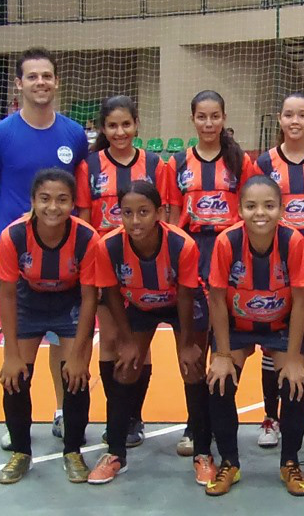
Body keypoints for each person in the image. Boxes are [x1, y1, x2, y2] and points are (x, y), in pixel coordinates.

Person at [0, 47, 89, 451]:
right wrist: (19, 227)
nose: (41, 82)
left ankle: (62, 410)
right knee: (22, 340)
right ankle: (19, 419)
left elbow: (80, 190)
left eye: (47, 76)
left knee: (65, 339)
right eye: (32, 76)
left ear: (56, 82)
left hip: (66, 257)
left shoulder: (74, 134)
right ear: (19, 84)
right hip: (22, 259)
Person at [91, 180, 213, 485]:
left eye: (143, 212)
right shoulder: (108, 246)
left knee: (193, 368)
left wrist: (186, 344)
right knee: (126, 368)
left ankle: (202, 452)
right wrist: (128, 341)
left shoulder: (181, 245)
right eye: (127, 212)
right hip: (140, 303)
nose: (135, 220)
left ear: (159, 212)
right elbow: (111, 294)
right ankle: (116, 452)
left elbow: (185, 296)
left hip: (181, 303)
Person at [205, 175, 304, 497]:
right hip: (238, 328)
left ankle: (290, 462)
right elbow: (216, 299)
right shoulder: (227, 242)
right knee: (218, 381)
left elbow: (302, 301)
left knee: (294, 382)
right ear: (239, 209)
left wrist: (294, 357)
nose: (260, 213)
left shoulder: (293, 242)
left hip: (280, 327)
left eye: (269, 205)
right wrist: (222, 355)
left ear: (281, 209)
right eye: (251, 206)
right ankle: (229, 462)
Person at [0, 169, 99, 484]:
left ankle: (72, 451)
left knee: (75, 376)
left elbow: (89, 298)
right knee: (15, 376)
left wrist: (80, 354)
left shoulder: (86, 237)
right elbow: (8, 294)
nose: (53, 207)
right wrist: (11, 354)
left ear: (73, 203)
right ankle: (21, 452)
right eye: (44, 199)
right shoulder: (13, 236)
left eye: (62, 199)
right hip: (29, 302)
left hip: (69, 302)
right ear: (32, 202)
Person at [75, 96, 166, 448]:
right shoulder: (90, 166)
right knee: (111, 341)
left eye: (126, 124)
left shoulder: (155, 164)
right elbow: (84, 220)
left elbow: (167, 215)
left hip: (147, 268)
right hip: (107, 267)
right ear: (103, 128)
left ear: (137, 124)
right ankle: (118, 411)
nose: (120, 131)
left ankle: (134, 417)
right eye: (112, 125)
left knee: (141, 345)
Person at [167, 90, 252, 456]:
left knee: (227, 343)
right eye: (202, 117)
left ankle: (217, 420)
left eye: (214, 116)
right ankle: (194, 423)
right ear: (192, 119)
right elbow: (171, 217)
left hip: (230, 254)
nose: (208, 123)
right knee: (193, 345)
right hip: (191, 255)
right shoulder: (177, 164)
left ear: (223, 118)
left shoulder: (241, 162)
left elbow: (254, 209)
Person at [251, 92, 304, 447]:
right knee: (277, 345)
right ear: (280, 119)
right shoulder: (265, 162)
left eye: (302, 115)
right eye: (289, 115)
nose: (295, 121)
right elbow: (257, 208)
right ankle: (271, 417)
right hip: (277, 259)